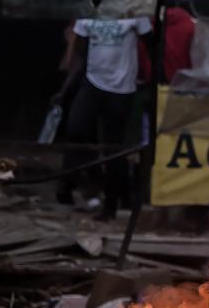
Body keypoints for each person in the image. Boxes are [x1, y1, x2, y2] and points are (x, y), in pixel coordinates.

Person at [56, 16, 153, 220]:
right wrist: (67, 85)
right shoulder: (90, 12)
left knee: (114, 146)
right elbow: (80, 52)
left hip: (122, 88)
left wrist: (151, 80)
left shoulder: (134, 13)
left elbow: (152, 45)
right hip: (93, 83)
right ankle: (87, 183)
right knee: (76, 130)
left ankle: (111, 205)